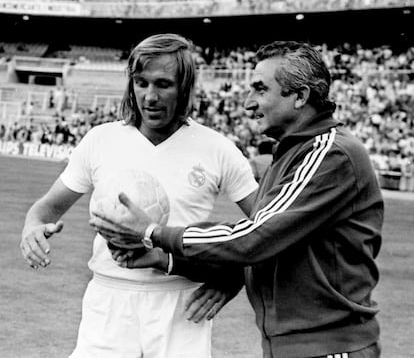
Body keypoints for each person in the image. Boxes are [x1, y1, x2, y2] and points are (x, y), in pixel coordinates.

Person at [91, 41, 384, 358]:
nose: (248, 103)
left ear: (300, 96)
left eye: (260, 89)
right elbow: (271, 246)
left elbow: (255, 237)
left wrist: (152, 233)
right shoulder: (291, 155)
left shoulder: (329, 154)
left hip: (329, 346)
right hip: (299, 345)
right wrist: (165, 260)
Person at [20, 33, 258, 358]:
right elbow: (46, 208)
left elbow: (268, 230)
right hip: (108, 299)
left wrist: (234, 280)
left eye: (163, 84)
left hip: (182, 303)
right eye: (141, 82)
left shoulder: (218, 149)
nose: (150, 96)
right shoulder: (100, 140)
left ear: (184, 87)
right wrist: (33, 226)